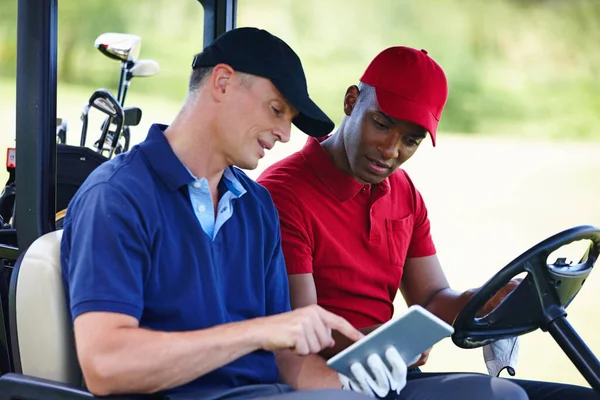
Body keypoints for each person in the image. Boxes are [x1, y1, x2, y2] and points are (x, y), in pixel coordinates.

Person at [60, 27, 402, 400]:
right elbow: (106, 367)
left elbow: (287, 358)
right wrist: (258, 331)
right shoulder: (117, 196)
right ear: (222, 82)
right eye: (276, 110)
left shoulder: (256, 206)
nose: (285, 134)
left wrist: (354, 389)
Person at [258, 46, 599, 399]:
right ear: (351, 102)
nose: (391, 150)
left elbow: (433, 297)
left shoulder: (403, 191)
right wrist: (390, 343)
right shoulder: (283, 194)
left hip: (393, 373)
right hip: (330, 381)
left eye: (410, 140)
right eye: (382, 124)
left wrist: (486, 299)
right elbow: (301, 328)